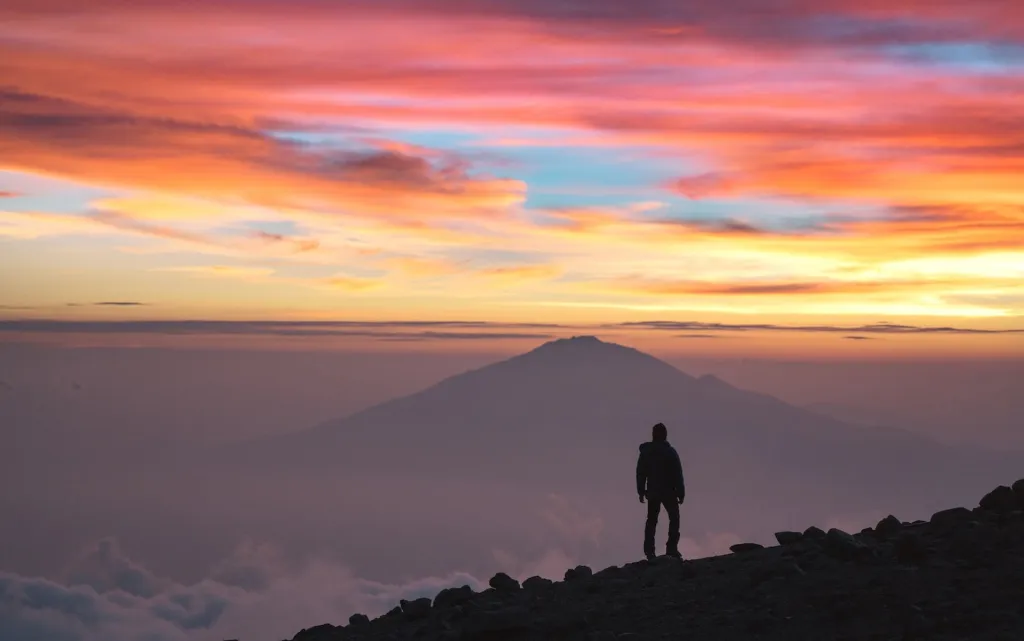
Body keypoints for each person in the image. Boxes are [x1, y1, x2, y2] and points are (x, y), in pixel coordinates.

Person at [636, 422, 685, 560]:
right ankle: (670, 549)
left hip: (655, 492)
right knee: (672, 519)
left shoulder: (648, 452)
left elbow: (641, 473)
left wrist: (641, 490)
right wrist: (680, 492)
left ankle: (651, 551)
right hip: (667, 492)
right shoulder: (669, 452)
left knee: (652, 521)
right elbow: (677, 473)